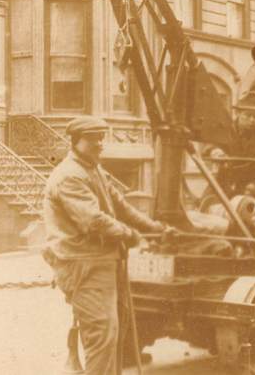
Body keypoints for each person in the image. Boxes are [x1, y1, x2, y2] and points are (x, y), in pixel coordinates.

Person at [42, 115, 167, 375]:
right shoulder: (70, 176)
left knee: (114, 333)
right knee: (101, 334)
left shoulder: (93, 168)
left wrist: (155, 228)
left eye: (101, 138)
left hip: (102, 261)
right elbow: (94, 221)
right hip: (82, 264)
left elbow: (121, 206)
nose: (100, 144)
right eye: (92, 139)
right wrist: (130, 234)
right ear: (76, 142)